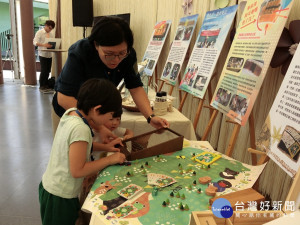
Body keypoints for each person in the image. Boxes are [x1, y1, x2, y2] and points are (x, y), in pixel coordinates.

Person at [52, 16, 169, 139]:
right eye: (109, 54)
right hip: (72, 110)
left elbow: (135, 87)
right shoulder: (80, 52)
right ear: (96, 45)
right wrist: (98, 125)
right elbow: (64, 98)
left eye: (122, 53)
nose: (116, 60)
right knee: (76, 151)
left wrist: (151, 117)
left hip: (100, 113)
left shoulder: (129, 55)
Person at [39, 78, 126, 225]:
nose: (110, 120)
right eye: (110, 116)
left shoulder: (72, 113)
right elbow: (78, 170)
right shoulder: (82, 129)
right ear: (97, 109)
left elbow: (78, 147)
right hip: (60, 197)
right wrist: (110, 159)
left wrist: (107, 147)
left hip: (52, 188)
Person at [33, 20, 55, 92]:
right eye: (49, 28)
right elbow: (35, 42)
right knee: (44, 70)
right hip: (42, 54)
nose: (50, 29)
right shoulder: (40, 32)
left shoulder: (51, 34)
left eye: (51, 28)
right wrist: (43, 45)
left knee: (48, 71)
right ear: (46, 25)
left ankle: (46, 85)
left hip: (49, 54)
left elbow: (52, 43)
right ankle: (41, 86)